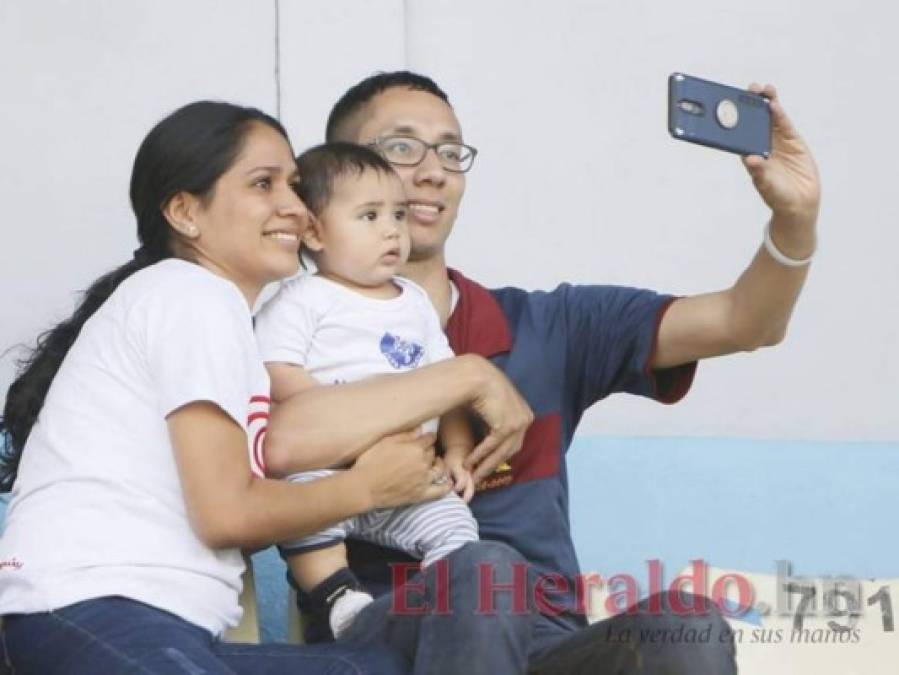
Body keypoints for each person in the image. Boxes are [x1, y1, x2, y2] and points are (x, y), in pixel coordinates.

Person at [263, 70, 820, 674]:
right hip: (388, 640)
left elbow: (746, 322)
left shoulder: (550, 327)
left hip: (550, 644)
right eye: (401, 147)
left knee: (683, 621)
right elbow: (284, 441)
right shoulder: (303, 325)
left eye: (451, 152)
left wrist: (796, 219)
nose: (433, 170)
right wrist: (466, 377)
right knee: (484, 567)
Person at [0, 99, 530, 674]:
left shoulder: (230, 325)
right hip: (90, 614)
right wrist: (367, 488)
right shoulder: (186, 294)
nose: (293, 206)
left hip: (181, 637)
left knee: (441, 613)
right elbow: (226, 513)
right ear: (185, 212)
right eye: (263, 184)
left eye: (296, 186)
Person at [254, 142, 479, 640]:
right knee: (301, 510)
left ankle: (433, 604)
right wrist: (337, 414)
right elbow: (274, 368)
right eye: (369, 215)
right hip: (329, 467)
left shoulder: (415, 302)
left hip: (411, 471)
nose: (391, 230)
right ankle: (338, 598)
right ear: (313, 231)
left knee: (458, 529)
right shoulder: (302, 298)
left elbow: (449, 386)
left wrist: (458, 451)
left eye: (398, 215)